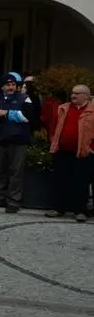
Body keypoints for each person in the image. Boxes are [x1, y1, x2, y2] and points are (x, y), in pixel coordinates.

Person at [0, 72, 34, 213]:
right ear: (2, 86)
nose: (11, 87)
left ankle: (13, 201)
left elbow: (28, 117)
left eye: (13, 84)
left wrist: (6, 113)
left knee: (15, 171)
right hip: (0, 140)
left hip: (19, 141)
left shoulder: (24, 98)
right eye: (8, 85)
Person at [46, 85, 94, 222]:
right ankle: (58, 208)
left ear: (86, 96)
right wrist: (53, 141)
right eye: (72, 93)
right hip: (62, 151)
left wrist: (91, 148)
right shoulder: (64, 108)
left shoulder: (92, 110)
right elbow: (53, 127)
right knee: (60, 180)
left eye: (77, 94)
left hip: (83, 152)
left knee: (81, 182)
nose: (73, 96)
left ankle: (79, 210)